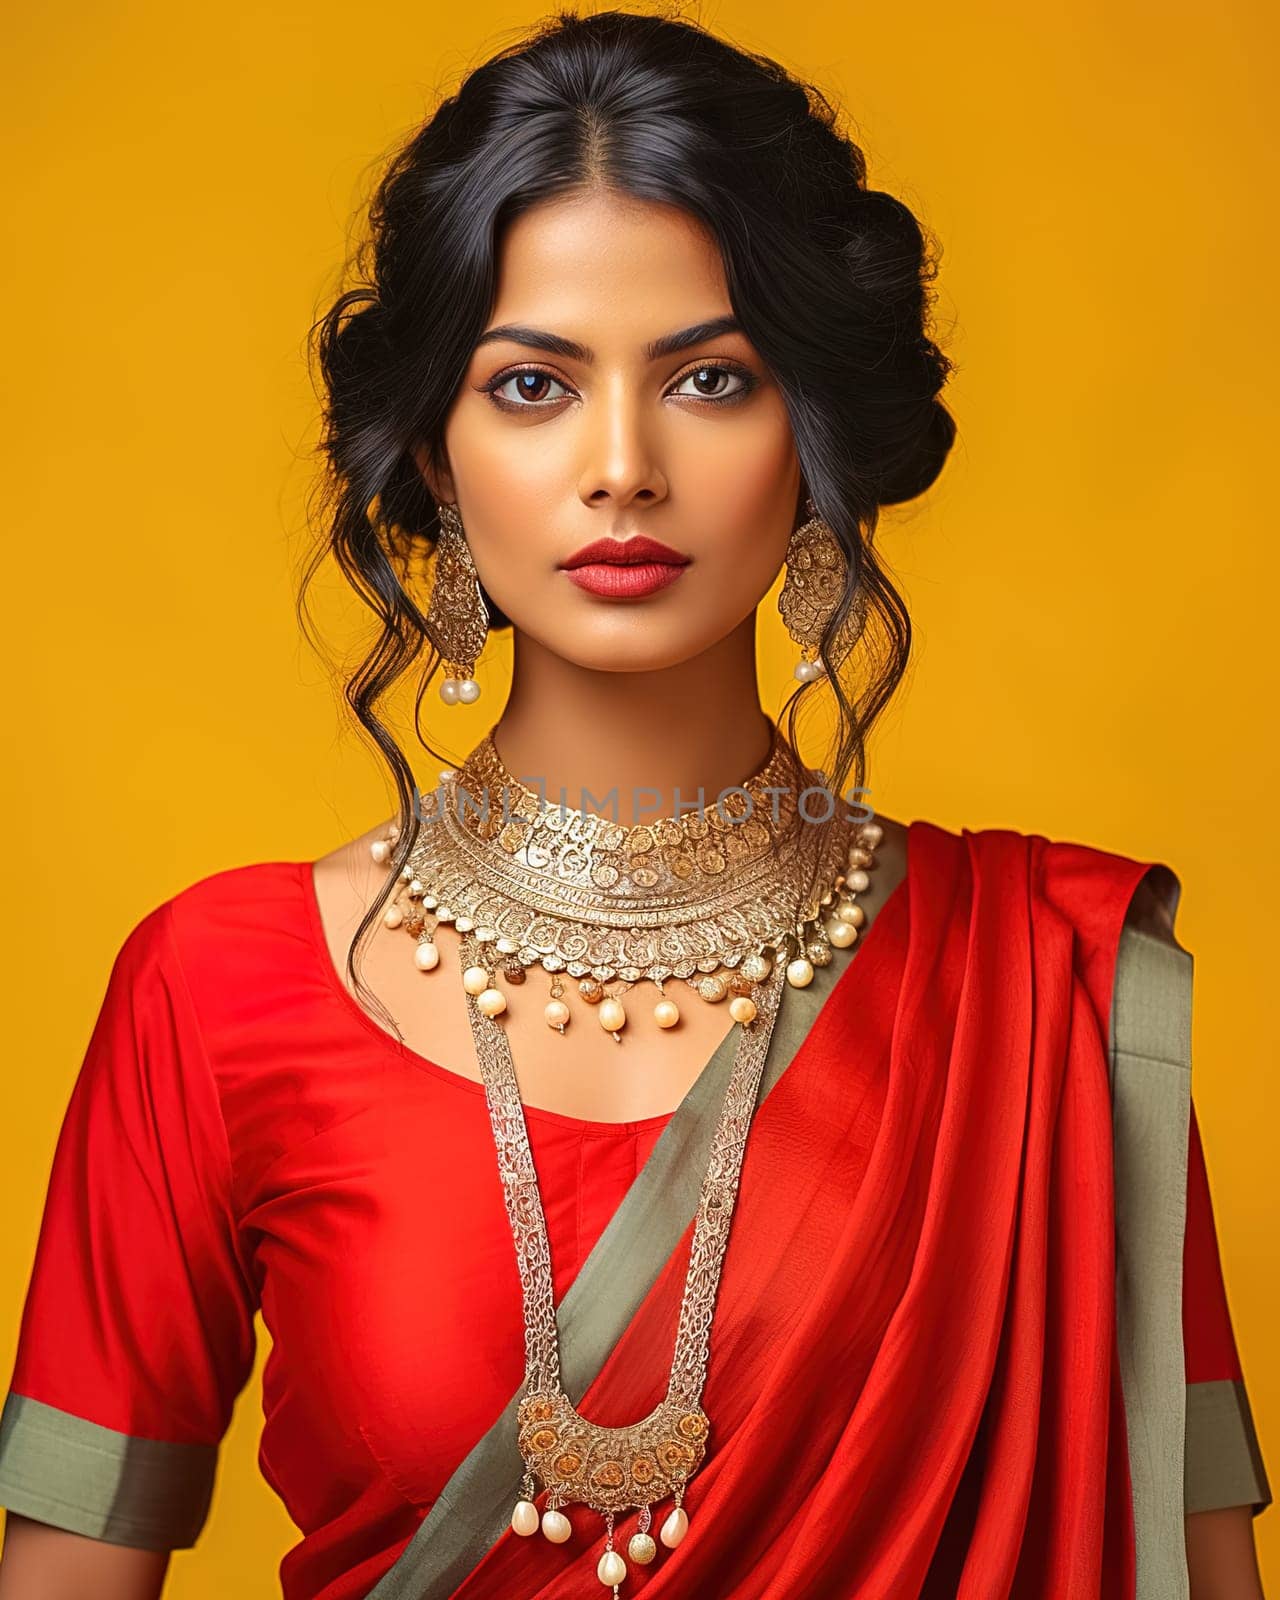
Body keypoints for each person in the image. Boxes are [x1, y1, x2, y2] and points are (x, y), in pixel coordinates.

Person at [0, 11, 1269, 1598]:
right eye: (532, 384)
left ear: (812, 446)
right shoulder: (214, 990)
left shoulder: (1042, 988)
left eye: (711, 379)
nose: (620, 466)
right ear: (440, 461)